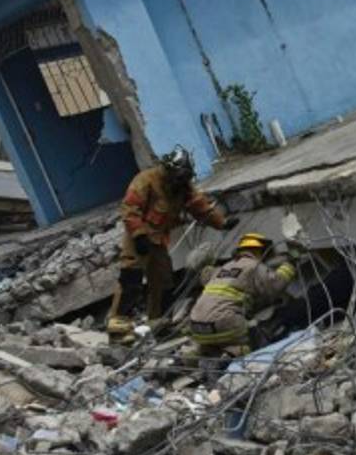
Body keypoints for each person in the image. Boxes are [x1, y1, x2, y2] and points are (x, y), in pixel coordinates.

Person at [107, 146, 237, 345]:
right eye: (179, 177)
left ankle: (159, 325)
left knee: (164, 283)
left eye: (185, 178)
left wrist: (222, 223)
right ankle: (117, 331)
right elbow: (129, 209)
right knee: (130, 281)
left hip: (158, 239)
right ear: (169, 171)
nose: (182, 182)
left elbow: (200, 207)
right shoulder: (146, 180)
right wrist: (139, 235)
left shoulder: (182, 187)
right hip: (138, 237)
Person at [182, 233, 298, 365]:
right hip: (226, 323)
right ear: (261, 250)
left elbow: (208, 281)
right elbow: (275, 285)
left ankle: (192, 356)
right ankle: (230, 356)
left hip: (197, 326)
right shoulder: (253, 266)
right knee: (255, 340)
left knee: (213, 343)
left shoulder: (223, 268)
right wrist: (291, 263)